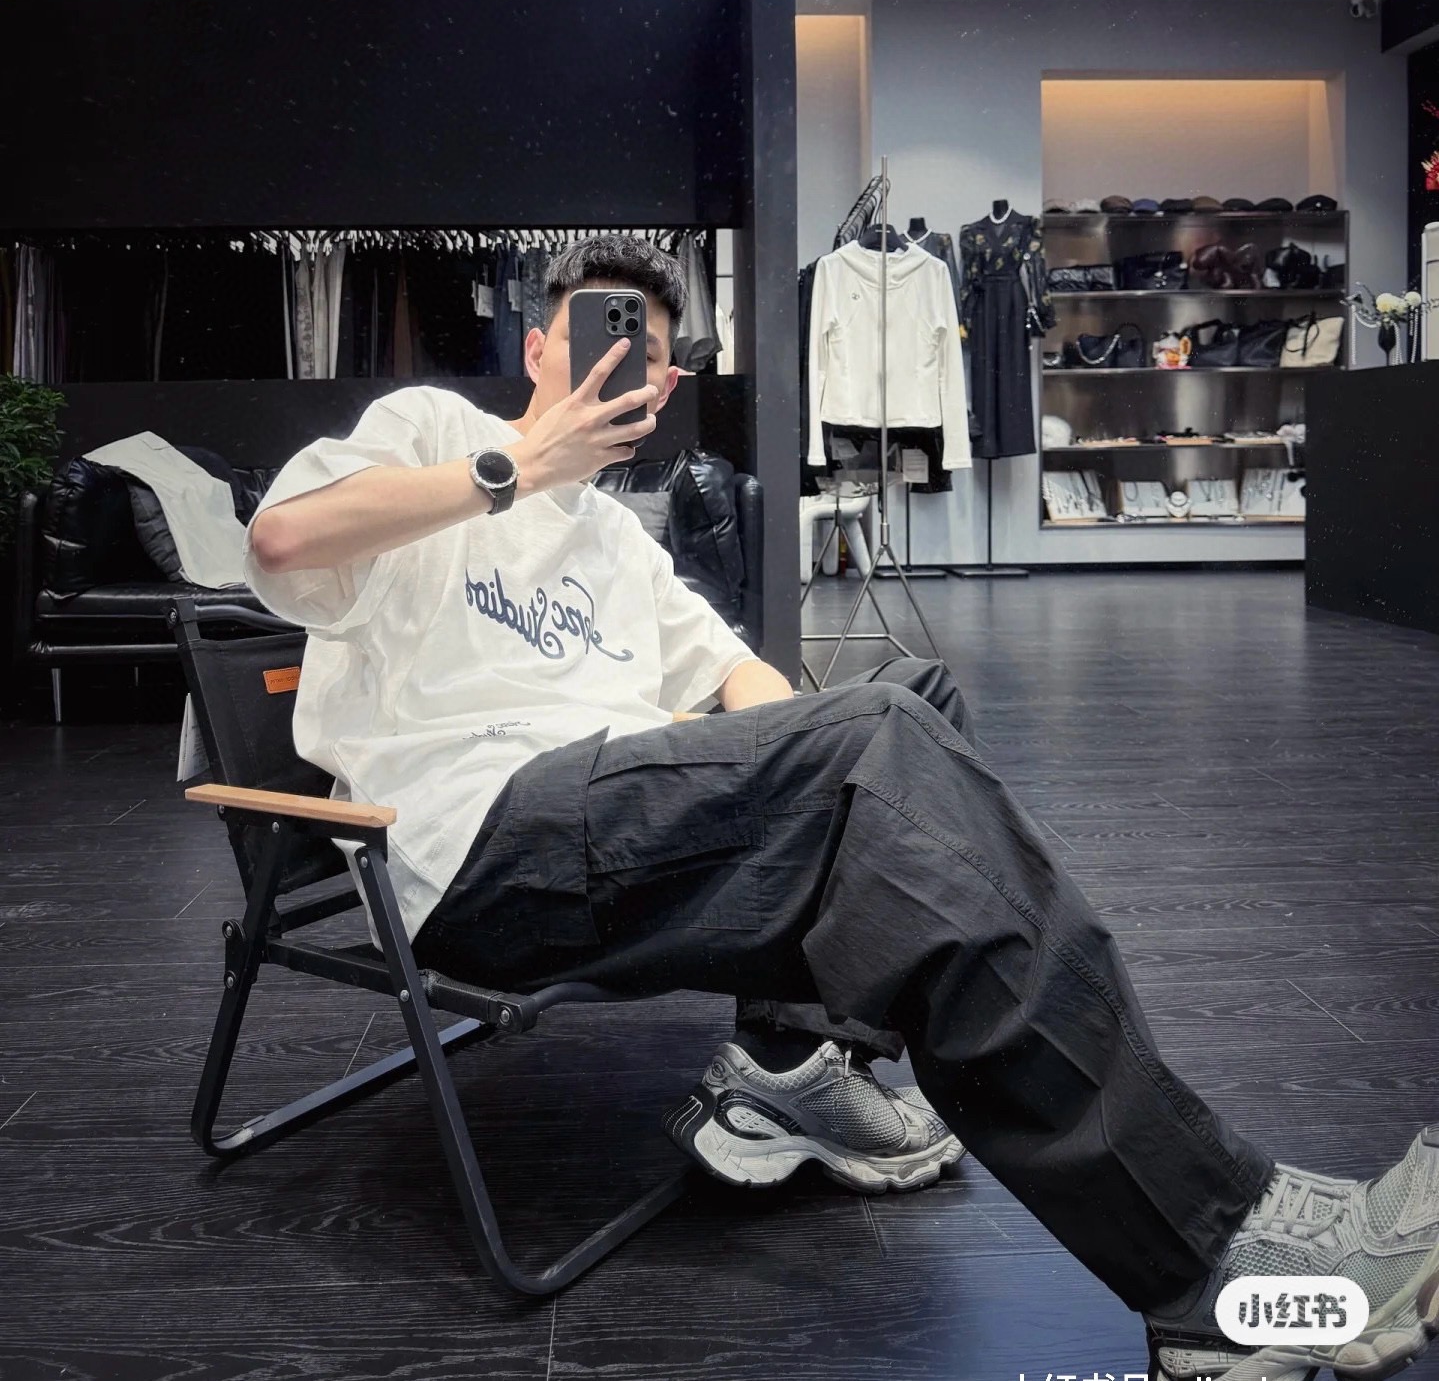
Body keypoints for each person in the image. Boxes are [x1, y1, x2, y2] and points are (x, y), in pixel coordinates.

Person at [245, 235, 1439, 1381]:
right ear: (538, 349)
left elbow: (737, 675)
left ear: (664, 386)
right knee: (875, 739)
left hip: (610, 825)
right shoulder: (434, 433)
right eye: (594, 338)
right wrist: (514, 469)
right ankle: (1213, 1262)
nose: (618, 365)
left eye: (645, 353)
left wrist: (776, 746)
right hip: (480, 847)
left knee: (908, 700)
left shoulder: (619, 537)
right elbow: (284, 540)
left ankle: (789, 1063)